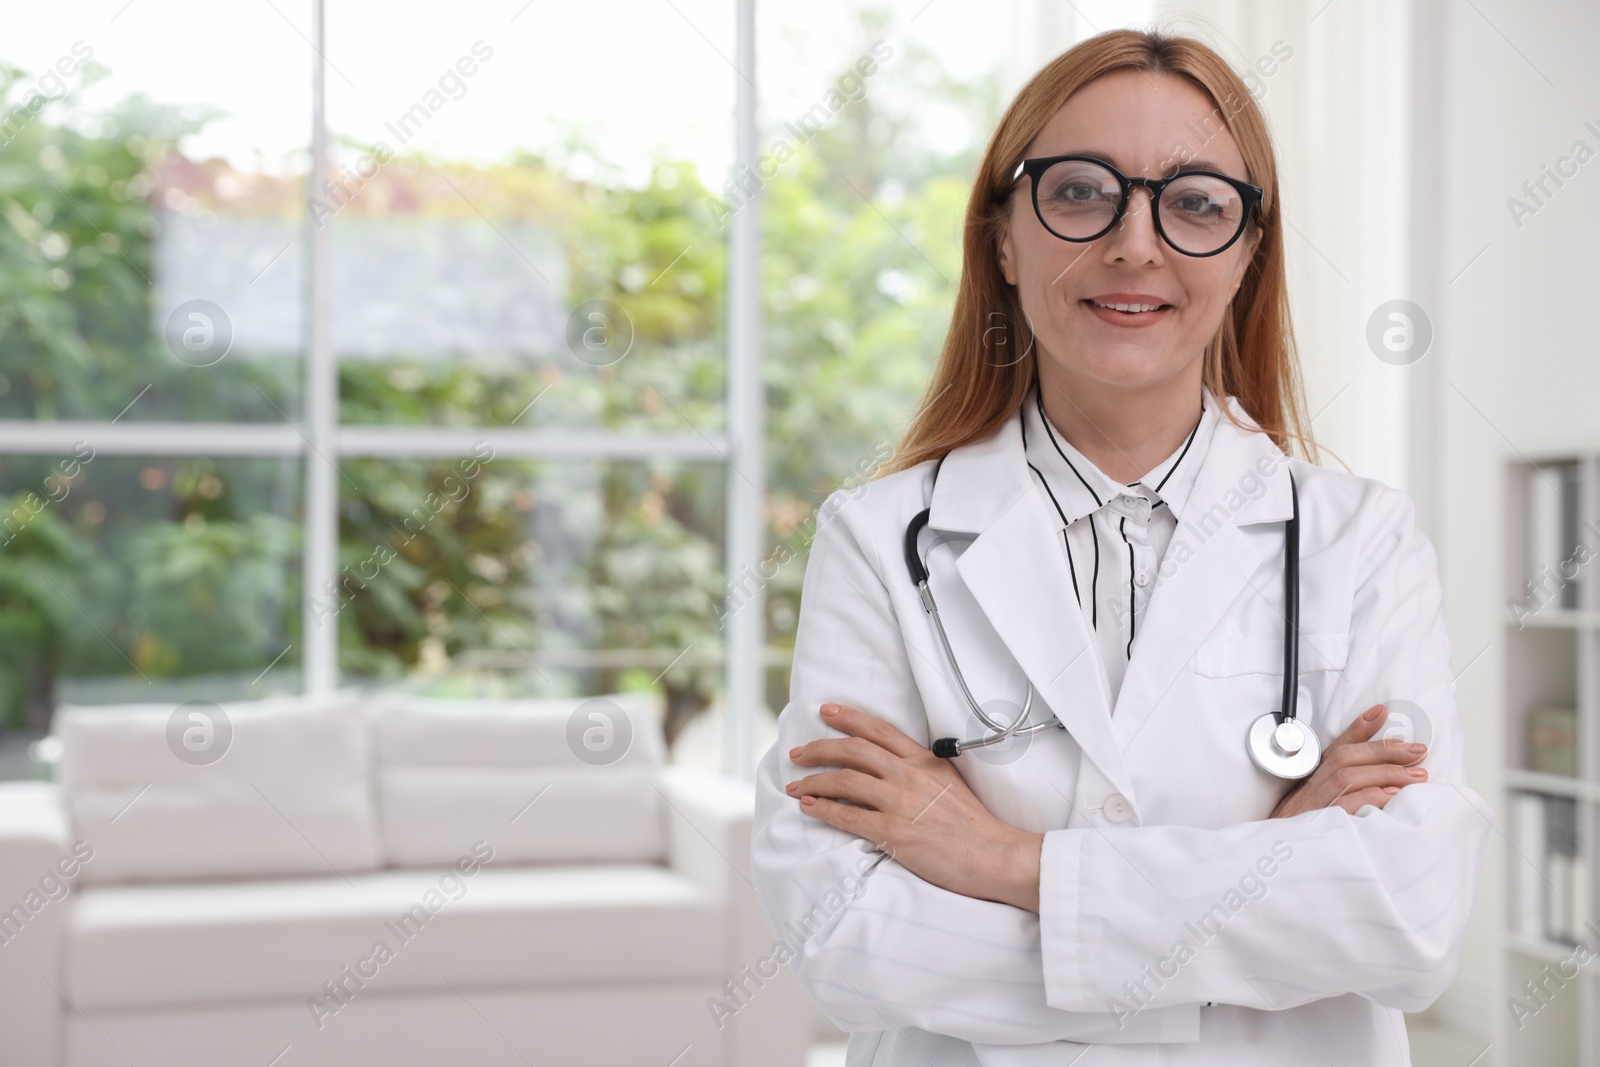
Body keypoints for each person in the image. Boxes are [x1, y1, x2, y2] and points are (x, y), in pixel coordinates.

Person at [748, 26, 1490, 1067]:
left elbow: (1409, 919)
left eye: (1193, 203)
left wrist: (1005, 860)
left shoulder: (1361, 539)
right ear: (1002, 236)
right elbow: (845, 943)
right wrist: (1270, 874)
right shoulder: (880, 541)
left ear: (1246, 254)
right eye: (1081, 190)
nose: (1135, 245)